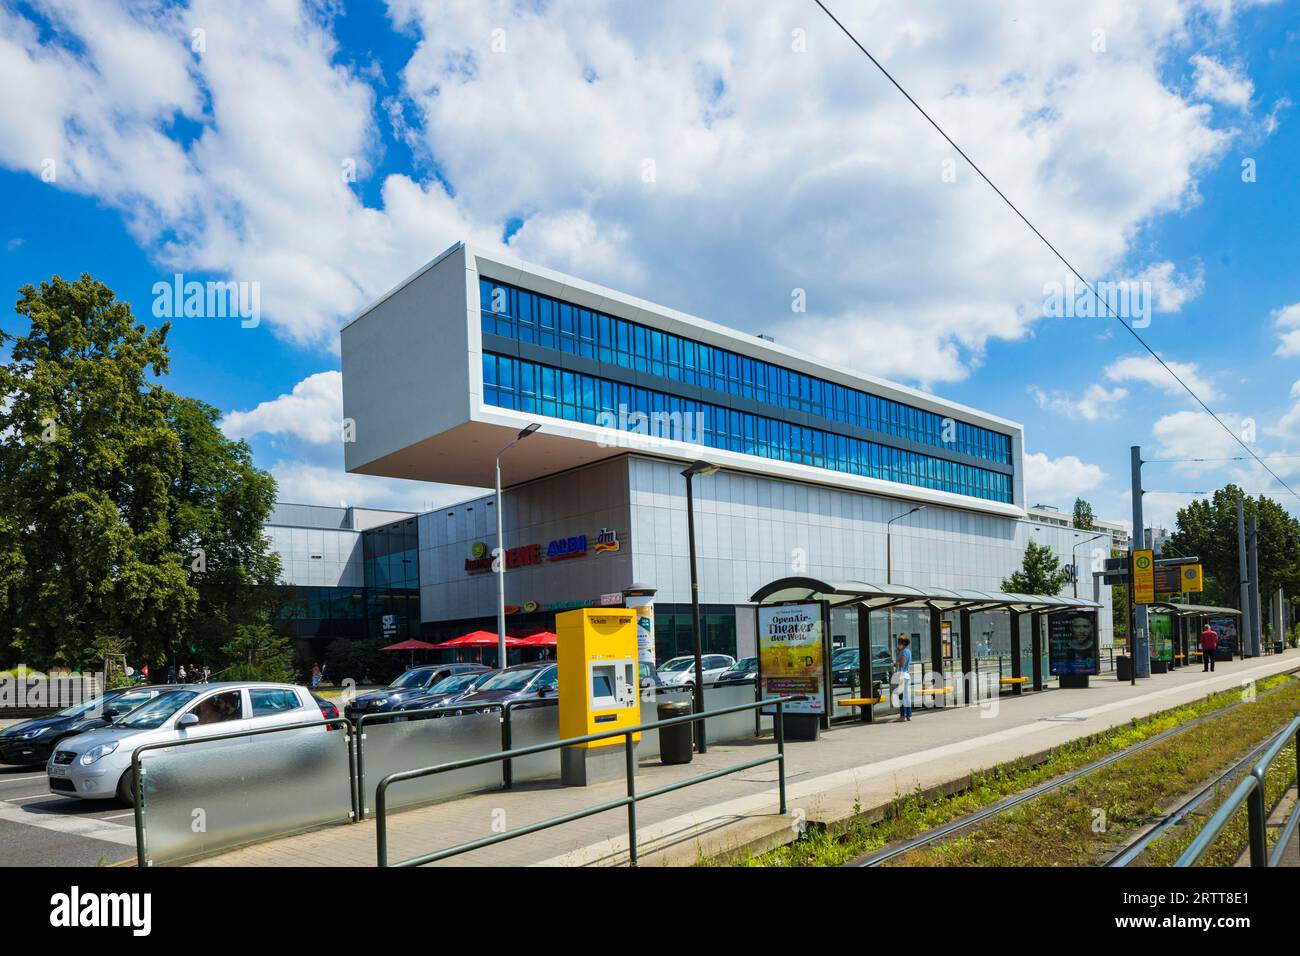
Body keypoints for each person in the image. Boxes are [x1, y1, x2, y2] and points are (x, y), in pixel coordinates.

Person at [893, 635, 913, 722]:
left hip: (901, 675)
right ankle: (908, 715)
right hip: (906, 675)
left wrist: (895, 663)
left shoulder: (904, 652)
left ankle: (903, 716)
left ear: (903, 643)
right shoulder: (908, 651)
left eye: (899, 642)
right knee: (906, 696)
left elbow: (902, 664)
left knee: (901, 696)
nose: (898, 644)